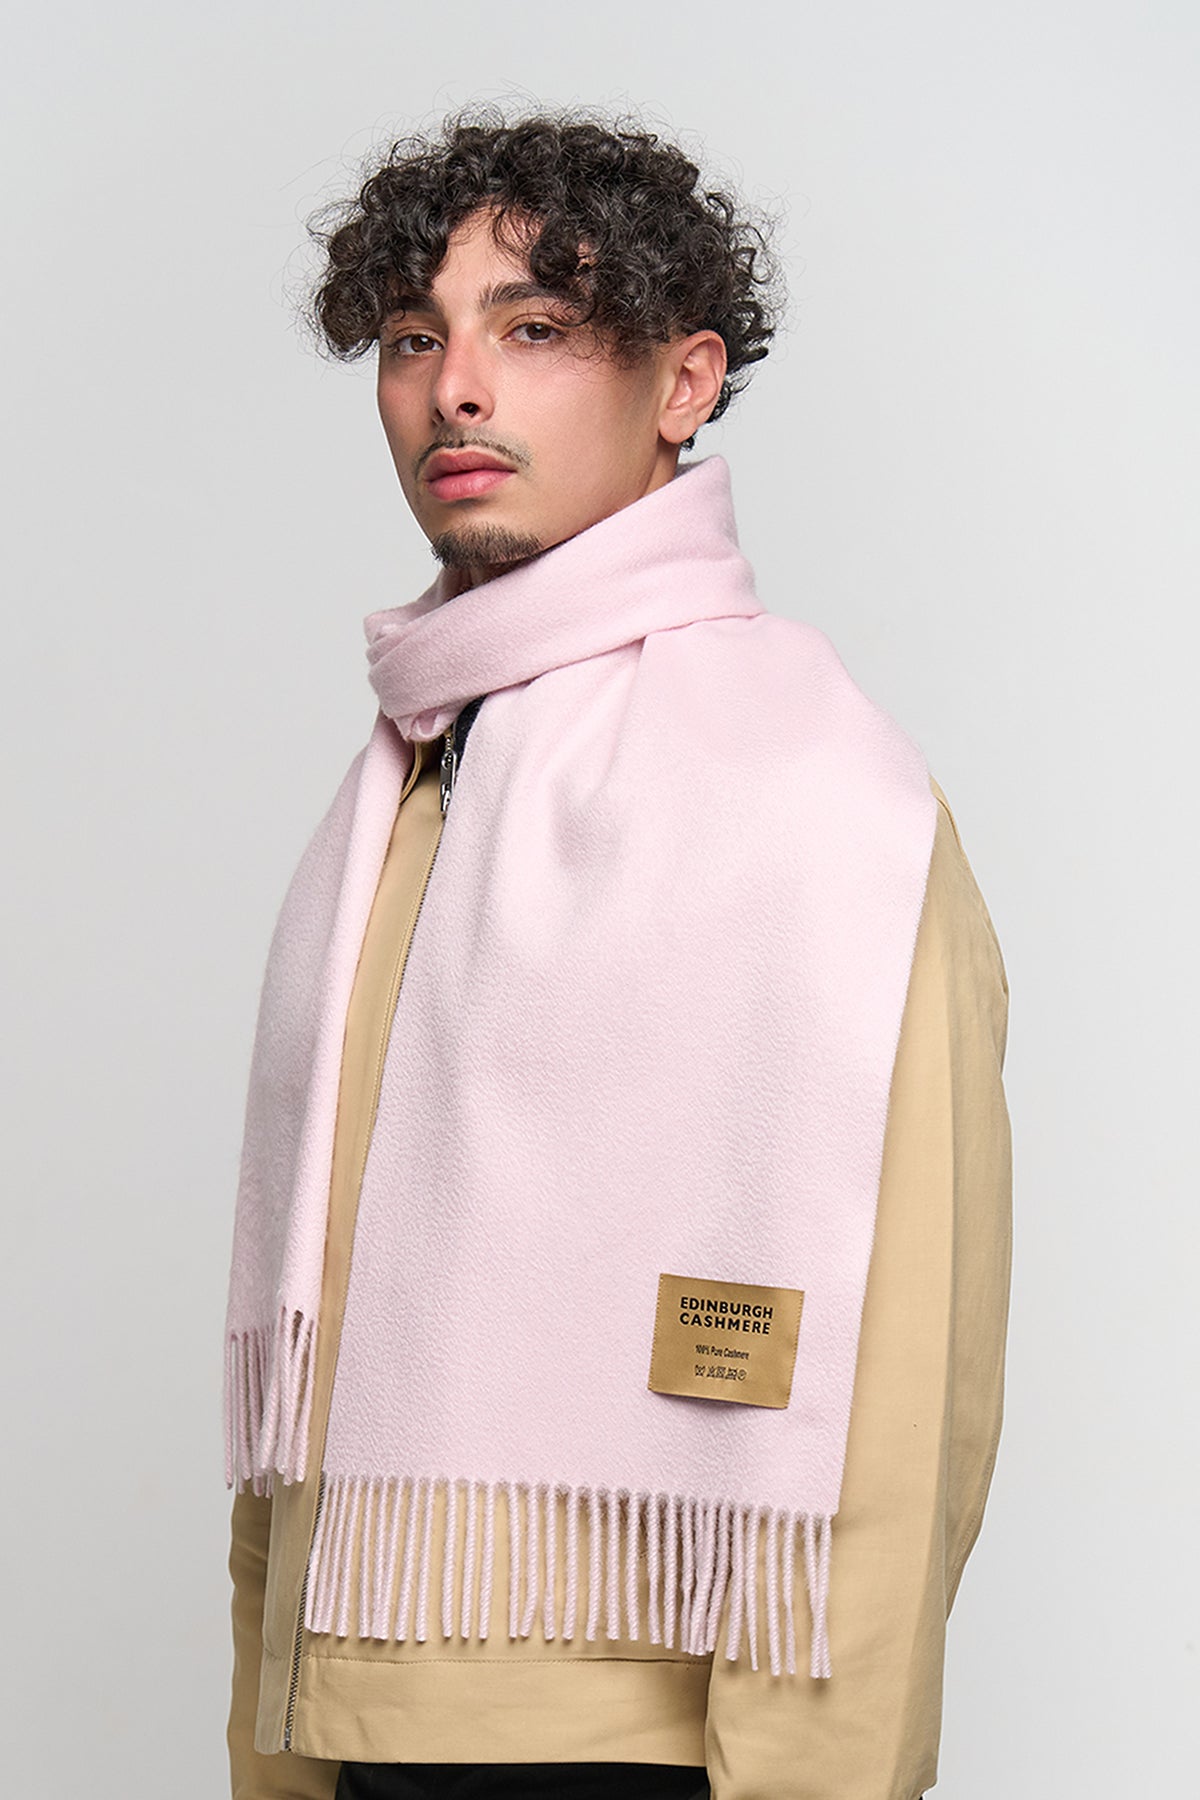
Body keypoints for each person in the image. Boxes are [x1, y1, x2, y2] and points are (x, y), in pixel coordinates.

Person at [223, 107, 1012, 1800]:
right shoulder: (406, 783)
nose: (457, 390)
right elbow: (316, 1327)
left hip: (644, 1757)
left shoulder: (811, 800)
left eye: (534, 330)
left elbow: (895, 1389)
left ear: (682, 382)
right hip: (355, 1725)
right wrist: (274, 1755)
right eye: (414, 338)